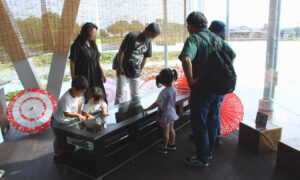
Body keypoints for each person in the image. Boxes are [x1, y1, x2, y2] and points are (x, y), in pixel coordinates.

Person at [179, 12, 236, 166]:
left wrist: (191, 80)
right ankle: (208, 153)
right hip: (218, 89)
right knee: (211, 121)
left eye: (187, 24)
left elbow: (186, 58)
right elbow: (232, 55)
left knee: (199, 123)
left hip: (202, 89)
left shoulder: (194, 39)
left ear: (191, 24)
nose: (187, 27)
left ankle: (202, 157)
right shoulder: (216, 38)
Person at [114, 22, 162, 104]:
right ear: (147, 32)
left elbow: (145, 57)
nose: (153, 39)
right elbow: (121, 51)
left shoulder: (149, 42)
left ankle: (135, 113)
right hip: (123, 69)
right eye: (153, 36)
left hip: (135, 70)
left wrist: (140, 70)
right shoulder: (132, 36)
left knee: (135, 94)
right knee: (120, 94)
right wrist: (119, 66)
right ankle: (118, 114)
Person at [51, 76, 88, 162]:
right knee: (58, 138)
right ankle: (56, 155)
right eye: (81, 92)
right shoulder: (66, 98)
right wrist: (77, 115)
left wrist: (78, 115)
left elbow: (79, 104)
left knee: (68, 139)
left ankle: (68, 153)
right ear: (74, 88)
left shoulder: (78, 95)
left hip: (69, 122)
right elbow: (66, 114)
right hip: (58, 121)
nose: (82, 94)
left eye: (84, 92)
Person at [142, 68, 179, 154]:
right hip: (172, 112)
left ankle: (164, 147)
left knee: (165, 132)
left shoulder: (163, 92)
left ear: (163, 80)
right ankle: (172, 144)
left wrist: (146, 109)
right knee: (171, 129)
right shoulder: (174, 89)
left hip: (165, 115)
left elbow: (157, 104)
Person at [70, 22, 107, 103]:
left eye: (95, 33)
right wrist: (74, 79)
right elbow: (72, 63)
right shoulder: (76, 46)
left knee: (100, 97)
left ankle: (103, 112)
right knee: (86, 99)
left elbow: (98, 61)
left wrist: (102, 73)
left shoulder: (93, 45)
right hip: (84, 77)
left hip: (96, 75)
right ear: (87, 32)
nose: (94, 35)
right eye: (93, 32)